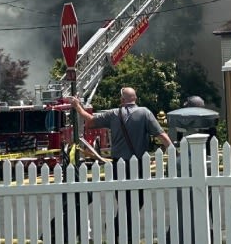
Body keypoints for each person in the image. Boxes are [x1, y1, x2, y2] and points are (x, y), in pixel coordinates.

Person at [72, 87, 172, 240]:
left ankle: (118, 229)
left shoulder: (113, 114)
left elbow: (90, 121)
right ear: (135, 99)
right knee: (138, 200)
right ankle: (122, 231)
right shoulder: (145, 113)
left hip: (119, 164)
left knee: (123, 200)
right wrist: (173, 152)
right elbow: (162, 135)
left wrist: (77, 106)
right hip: (139, 164)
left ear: (121, 100)